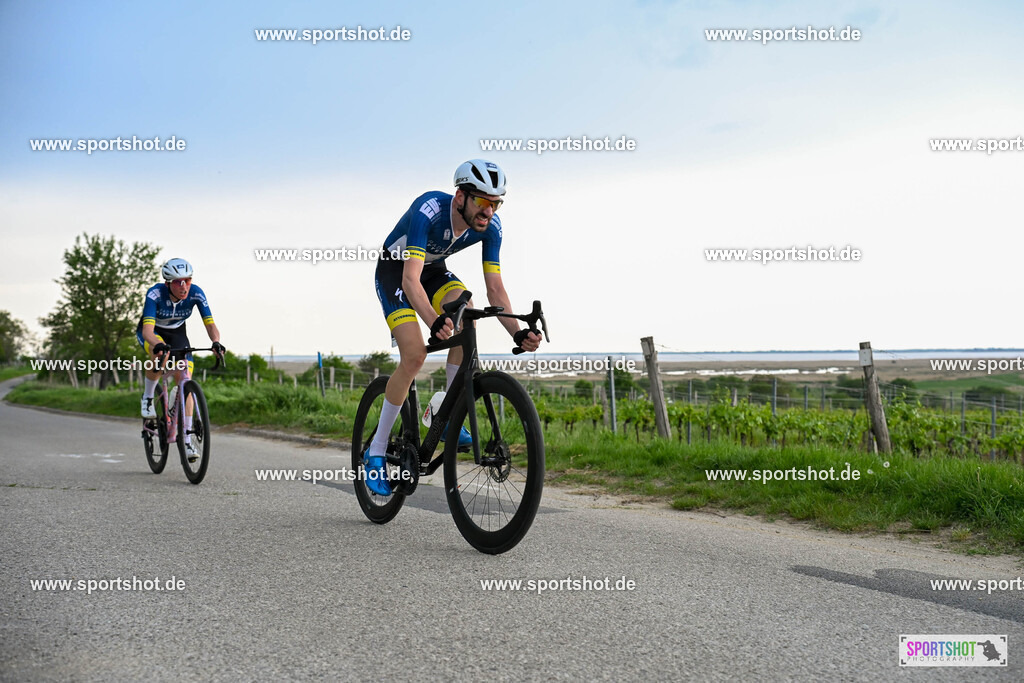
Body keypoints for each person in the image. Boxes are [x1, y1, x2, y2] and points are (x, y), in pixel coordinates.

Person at [366, 160, 541, 495]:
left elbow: (495, 289)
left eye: (496, 203)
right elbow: (409, 280)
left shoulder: (491, 228)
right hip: (396, 273)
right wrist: (435, 323)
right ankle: (375, 452)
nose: (489, 211)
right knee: (415, 355)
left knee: (468, 313)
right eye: (482, 201)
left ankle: (443, 412)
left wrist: (516, 332)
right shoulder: (428, 210)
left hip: (433, 272)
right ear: (460, 196)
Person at [137, 258, 225, 460]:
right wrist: (156, 344)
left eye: (187, 280)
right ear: (168, 283)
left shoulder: (196, 293)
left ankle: (186, 442)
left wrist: (216, 342)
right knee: (160, 354)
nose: (183, 286)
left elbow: (210, 324)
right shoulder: (155, 294)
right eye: (178, 282)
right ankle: (148, 397)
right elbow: (148, 330)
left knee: (185, 378)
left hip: (177, 333)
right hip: (153, 332)